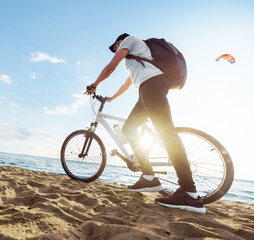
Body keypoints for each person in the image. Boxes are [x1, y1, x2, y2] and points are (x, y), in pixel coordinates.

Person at [85, 33, 206, 213]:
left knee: (166, 133)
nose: (116, 50)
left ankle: (190, 193)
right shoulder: (137, 59)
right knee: (129, 129)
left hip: (153, 85)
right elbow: (127, 84)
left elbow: (110, 68)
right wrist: (111, 98)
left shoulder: (130, 41)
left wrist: (93, 84)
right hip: (147, 88)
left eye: (115, 47)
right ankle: (149, 177)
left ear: (120, 41)